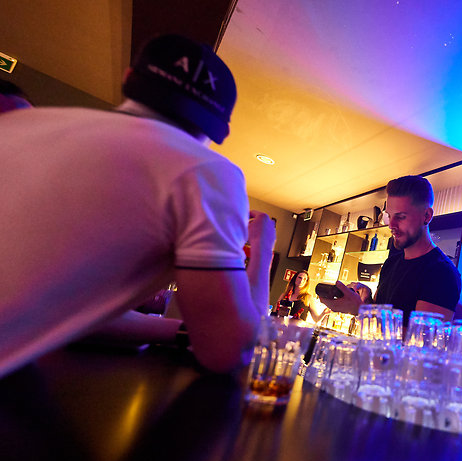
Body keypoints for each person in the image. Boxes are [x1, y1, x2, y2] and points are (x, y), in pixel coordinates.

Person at [0, 34, 275, 377]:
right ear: (224, 130)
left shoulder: (18, 125)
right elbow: (231, 349)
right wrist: (263, 249)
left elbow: (57, 306)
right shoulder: (209, 172)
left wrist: (177, 332)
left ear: (128, 77)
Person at [319, 175, 461, 325]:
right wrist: (367, 302)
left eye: (401, 217)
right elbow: (379, 318)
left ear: (426, 216)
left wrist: (359, 310)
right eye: (389, 215)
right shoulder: (391, 263)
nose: (391, 225)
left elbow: (422, 337)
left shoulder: (441, 272)